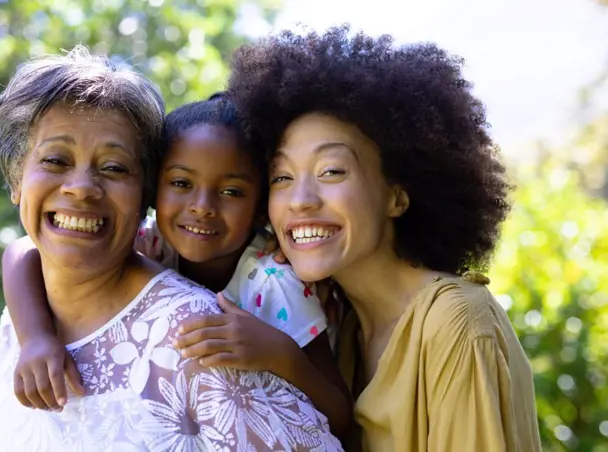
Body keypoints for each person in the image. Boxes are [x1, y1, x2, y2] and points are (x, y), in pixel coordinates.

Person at [0, 45, 343, 451]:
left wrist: (283, 355)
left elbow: (337, 423)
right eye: (55, 160)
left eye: (114, 167)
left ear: (141, 194)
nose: (202, 209)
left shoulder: (258, 291)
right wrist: (35, 336)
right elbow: (21, 250)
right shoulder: (146, 243)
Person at [228, 25, 543, 451]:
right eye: (282, 177)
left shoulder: (454, 322)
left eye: (331, 171)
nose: (300, 200)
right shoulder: (343, 326)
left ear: (397, 195)